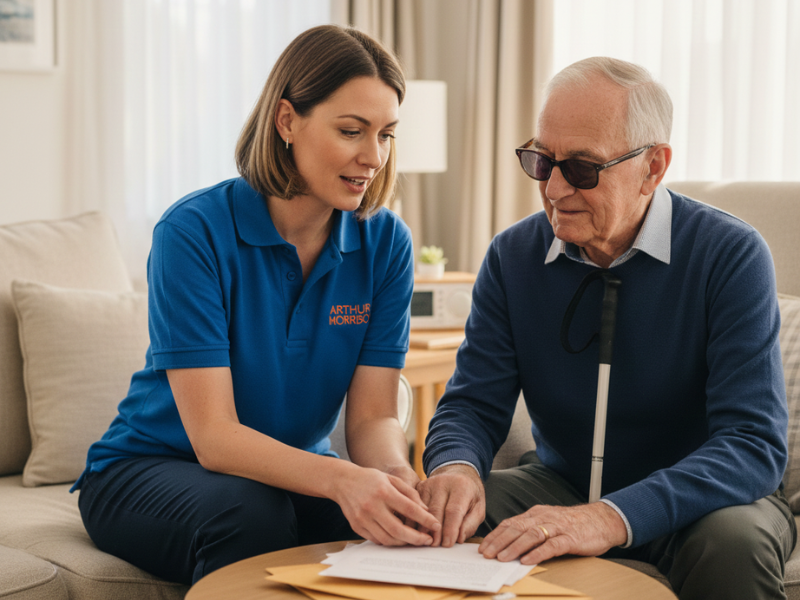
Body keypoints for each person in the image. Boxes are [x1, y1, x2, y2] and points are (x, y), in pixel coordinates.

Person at [72, 24, 440, 585]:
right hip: (147, 469)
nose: (373, 156)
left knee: (399, 527)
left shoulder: (386, 243)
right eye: (351, 130)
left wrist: (392, 476)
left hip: (286, 474)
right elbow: (214, 437)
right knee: (252, 516)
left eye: (386, 134)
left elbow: (373, 417)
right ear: (287, 120)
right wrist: (338, 479)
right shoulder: (191, 232)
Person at [419, 56, 796, 600]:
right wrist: (454, 469)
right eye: (541, 161)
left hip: (703, 501)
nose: (552, 190)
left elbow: (751, 444)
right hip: (559, 484)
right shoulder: (512, 256)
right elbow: (472, 404)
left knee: (733, 544)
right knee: (436, 523)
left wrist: (612, 516)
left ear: (653, 167)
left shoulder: (730, 255)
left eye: (582, 168)